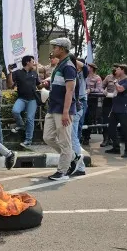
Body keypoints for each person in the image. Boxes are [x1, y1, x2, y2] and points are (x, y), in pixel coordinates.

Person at [42, 37, 79, 181]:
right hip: (53, 107)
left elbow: (70, 91)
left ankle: (63, 172)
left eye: (55, 47)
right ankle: (73, 157)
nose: (53, 50)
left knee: (64, 141)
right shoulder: (59, 65)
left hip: (63, 109)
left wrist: (66, 112)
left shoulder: (68, 67)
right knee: (48, 137)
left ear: (62, 49)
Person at [7, 55, 42, 146]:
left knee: (30, 119)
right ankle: (21, 125)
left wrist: (44, 84)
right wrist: (10, 73)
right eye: (32, 61)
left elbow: (39, 85)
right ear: (27, 62)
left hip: (32, 99)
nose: (34, 63)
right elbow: (10, 85)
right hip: (21, 98)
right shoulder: (17, 73)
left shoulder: (34, 73)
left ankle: (28, 141)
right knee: (15, 111)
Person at [104, 64, 127, 158]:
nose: (115, 70)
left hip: (124, 109)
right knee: (111, 128)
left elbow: (120, 89)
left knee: (125, 130)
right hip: (115, 108)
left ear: (123, 70)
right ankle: (116, 148)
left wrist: (115, 82)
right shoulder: (119, 80)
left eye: (118, 69)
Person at [69, 55, 88, 175]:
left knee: (74, 136)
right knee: (73, 136)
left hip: (79, 103)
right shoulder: (71, 73)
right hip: (75, 104)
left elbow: (85, 67)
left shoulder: (82, 73)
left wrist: (71, 59)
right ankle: (76, 164)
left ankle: (80, 166)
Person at [100, 64, 119, 147]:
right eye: (113, 67)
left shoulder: (123, 78)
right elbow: (101, 87)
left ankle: (113, 139)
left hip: (118, 102)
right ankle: (106, 139)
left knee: (115, 121)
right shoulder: (108, 77)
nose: (114, 69)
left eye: (116, 68)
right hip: (108, 101)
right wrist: (104, 92)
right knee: (106, 120)